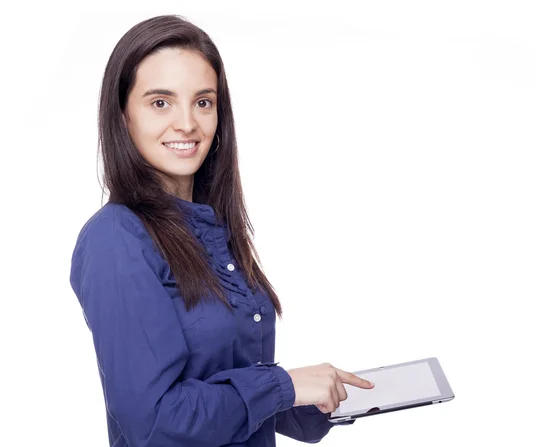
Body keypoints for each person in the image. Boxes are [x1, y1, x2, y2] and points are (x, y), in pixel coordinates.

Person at [69, 14, 374, 447]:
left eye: (203, 102)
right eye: (160, 102)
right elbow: (154, 423)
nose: (187, 123)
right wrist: (282, 386)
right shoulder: (116, 240)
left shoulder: (212, 229)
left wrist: (312, 400)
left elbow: (220, 388)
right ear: (122, 116)